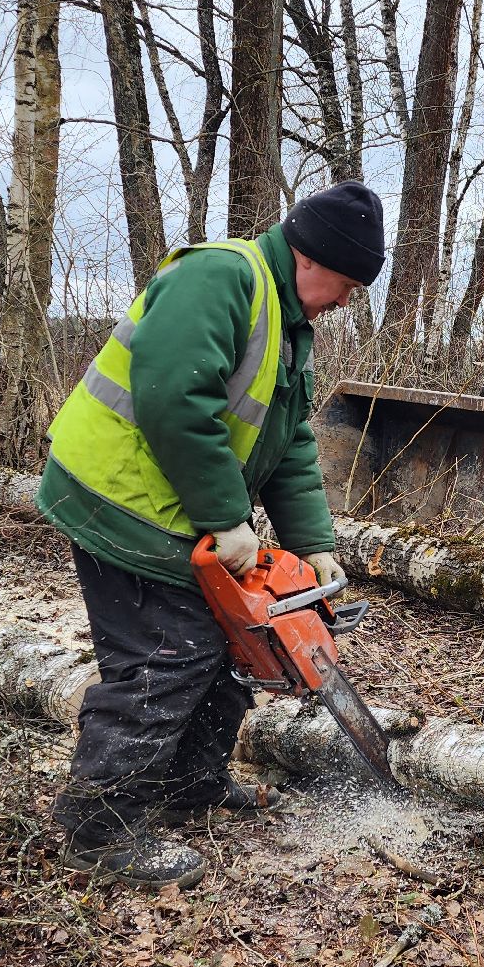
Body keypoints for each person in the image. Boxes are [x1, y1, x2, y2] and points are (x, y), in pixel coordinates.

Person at [37, 181, 387, 889]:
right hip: (120, 497)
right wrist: (229, 520)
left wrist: (313, 545)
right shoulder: (220, 276)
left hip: (170, 503)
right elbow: (173, 400)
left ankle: (189, 784)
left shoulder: (291, 327)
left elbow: (288, 444)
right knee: (169, 657)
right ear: (312, 256)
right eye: (346, 284)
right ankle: (98, 827)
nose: (346, 301)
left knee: (231, 650)